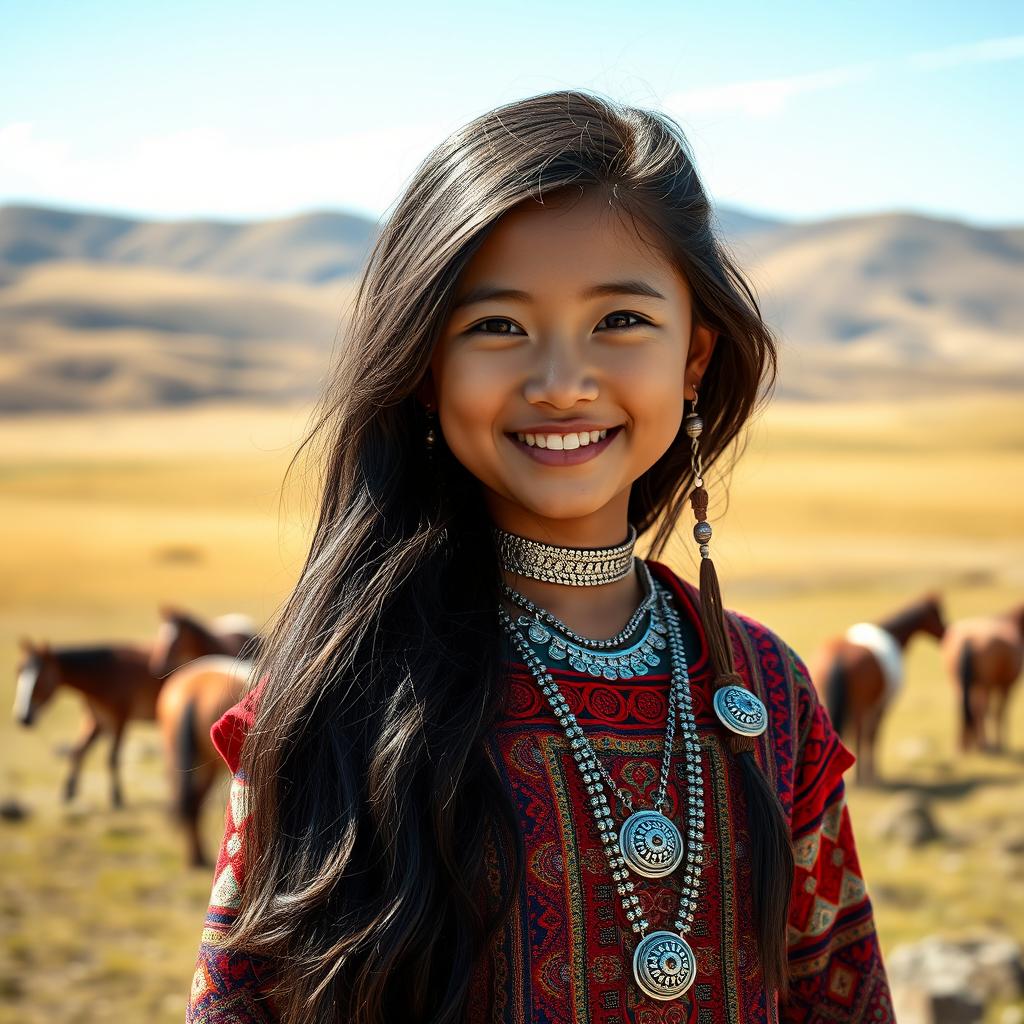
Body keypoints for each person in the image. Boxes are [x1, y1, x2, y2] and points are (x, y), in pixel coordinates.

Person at [185, 88, 894, 1023]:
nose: (562, 384)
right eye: (498, 327)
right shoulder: (336, 697)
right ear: (426, 367)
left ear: (694, 357)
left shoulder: (769, 689)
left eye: (622, 322)